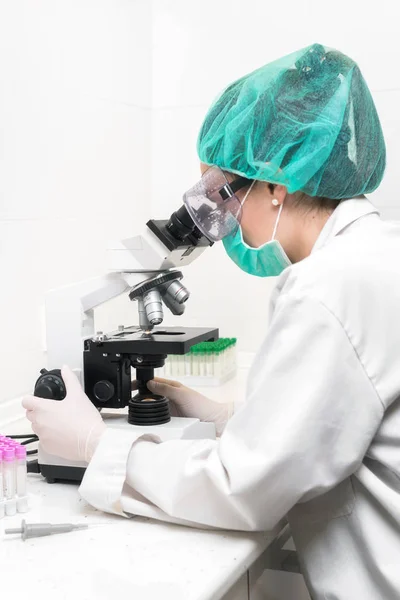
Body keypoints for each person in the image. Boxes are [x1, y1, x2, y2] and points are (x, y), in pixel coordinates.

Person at [22, 43, 400, 599]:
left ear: (277, 185)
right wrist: (232, 418)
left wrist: (95, 445)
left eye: (226, 192)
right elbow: (334, 425)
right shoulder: (375, 254)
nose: (219, 219)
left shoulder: (327, 288)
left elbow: (243, 489)